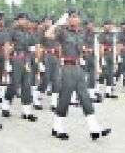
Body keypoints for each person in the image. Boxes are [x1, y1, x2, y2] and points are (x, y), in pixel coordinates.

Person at [46, 10, 111, 141]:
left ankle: (94, 129)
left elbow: (84, 48)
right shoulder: (62, 32)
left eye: (77, 17)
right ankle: (57, 127)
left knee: (85, 97)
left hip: (78, 67)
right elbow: (48, 35)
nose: (75, 19)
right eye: (73, 17)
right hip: (66, 68)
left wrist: (87, 53)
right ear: (68, 19)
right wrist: (57, 23)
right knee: (64, 98)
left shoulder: (82, 33)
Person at [4, 13, 37, 121]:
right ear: (17, 21)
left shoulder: (29, 33)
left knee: (26, 85)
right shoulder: (12, 31)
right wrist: (7, 61)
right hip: (15, 59)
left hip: (26, 60)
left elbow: (33, 45)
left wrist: (34, 58)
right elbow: (7, 46)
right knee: (14, 84)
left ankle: (26, 111)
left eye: (25, 19)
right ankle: (6, 106)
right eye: (21, 19)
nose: (24, 21)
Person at [99, 20, 118, 98]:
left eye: (110, 25)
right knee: (103, 73)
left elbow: (115, 46)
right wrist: (102, 58)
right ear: (104, 26)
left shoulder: (113, 35)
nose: (109, 26)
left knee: (110, 73)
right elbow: (101, 47)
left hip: (111, 55)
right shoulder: (102, 35)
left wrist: (116, 57)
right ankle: (99, 91)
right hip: (105, 55)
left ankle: (108, 91)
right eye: (107, 25)